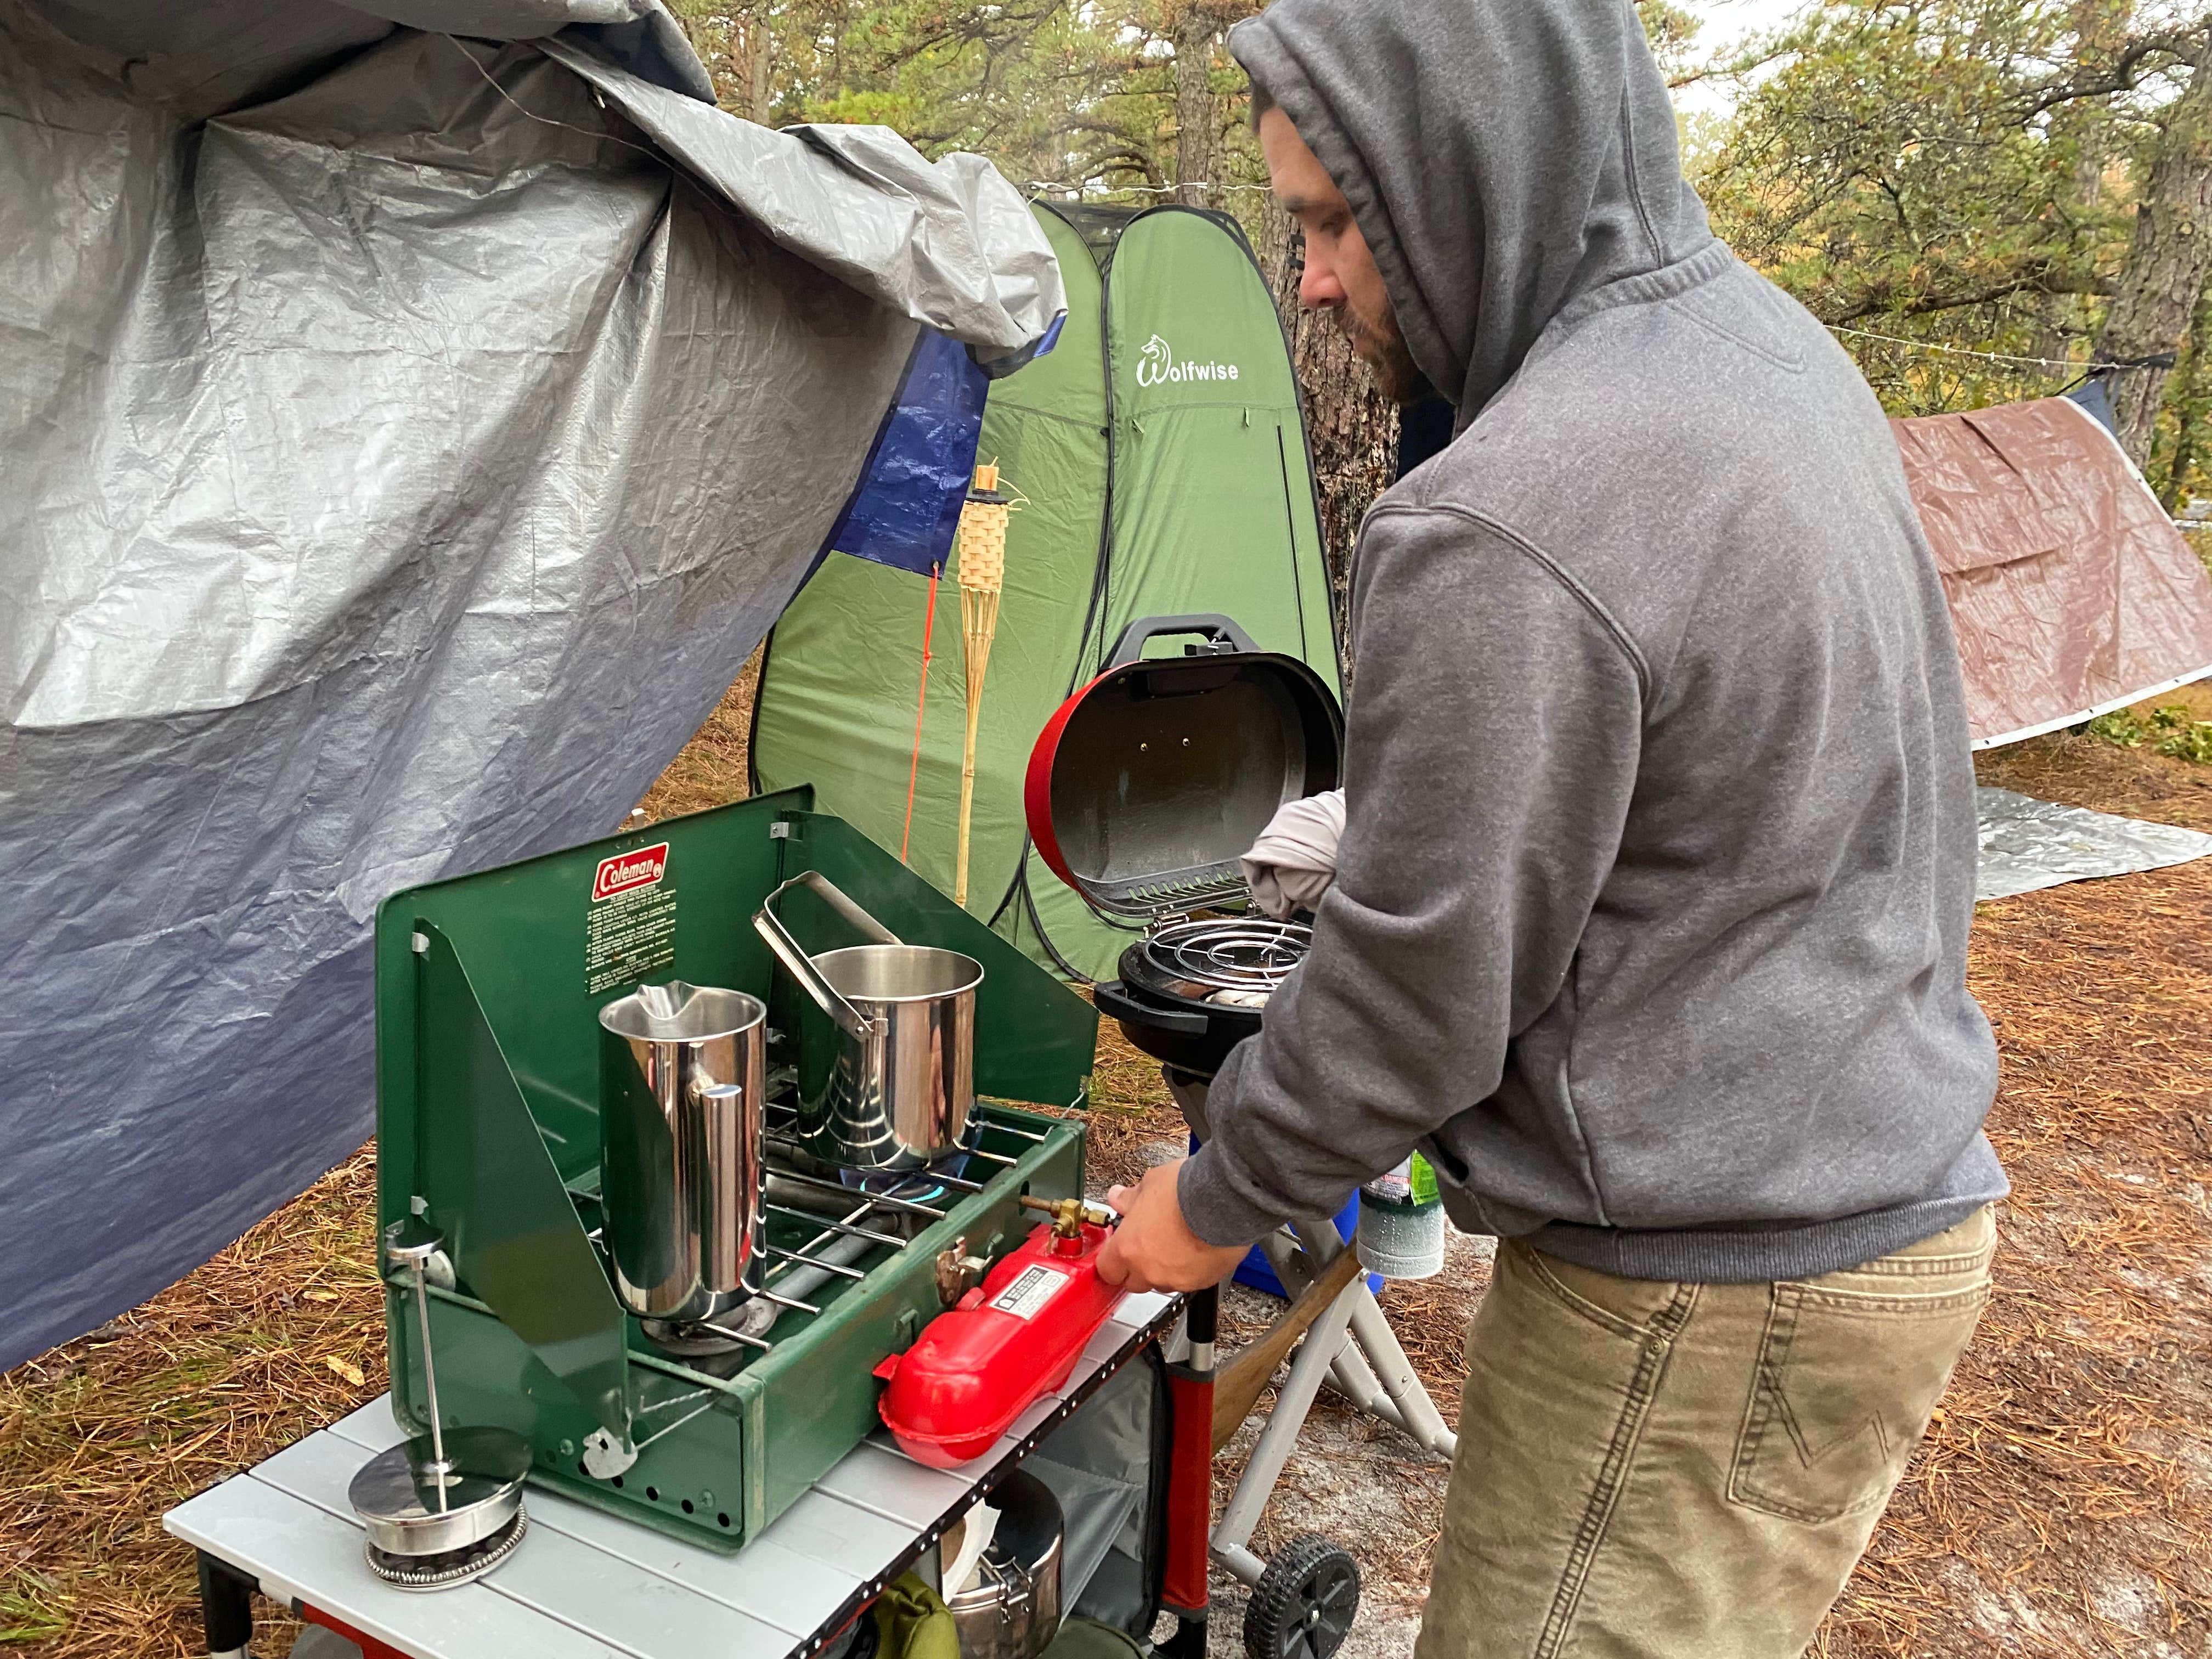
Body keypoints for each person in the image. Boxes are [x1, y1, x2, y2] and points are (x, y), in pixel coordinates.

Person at [1091, 1, 2006, 1653]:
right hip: (1868, 1210)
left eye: (1326, 223)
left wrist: (1215, 1196)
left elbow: (1420, 989)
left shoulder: (1513, 506)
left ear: (1469, 180)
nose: (1306, 278)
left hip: (1706, 1294)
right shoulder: (1762, 351)